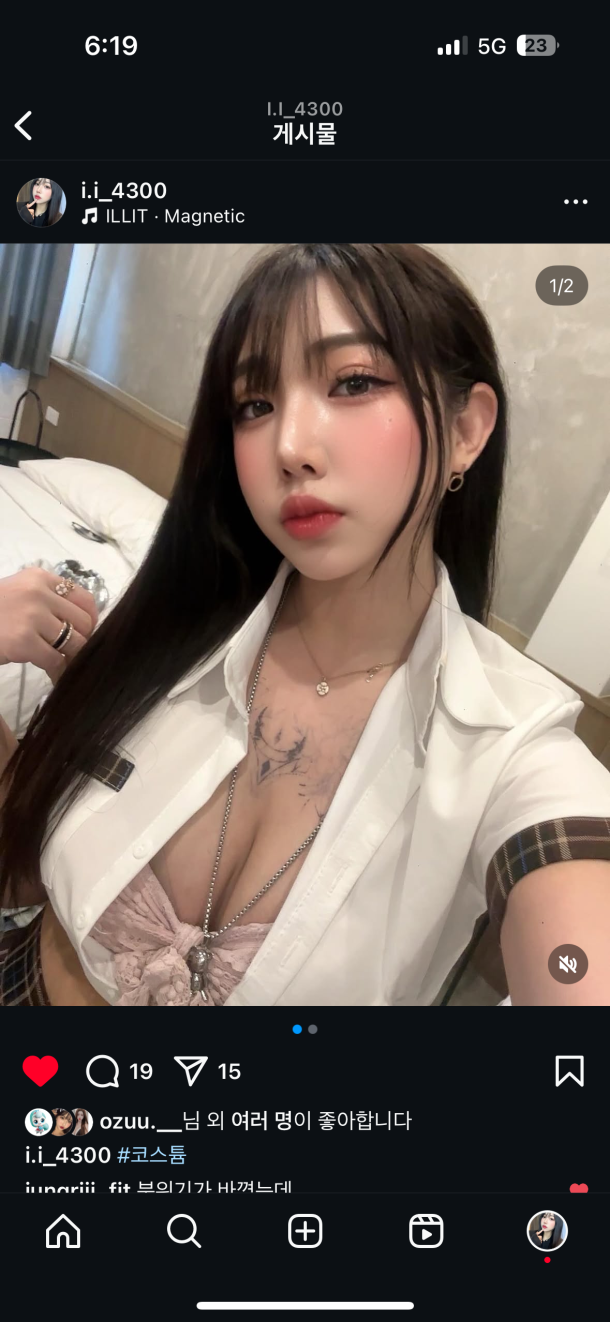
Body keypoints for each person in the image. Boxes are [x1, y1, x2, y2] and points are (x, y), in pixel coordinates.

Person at [1, 243, 610, 1009]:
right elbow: (19, 871)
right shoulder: (165, 633)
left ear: (465, 429)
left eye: (354, 382)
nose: (289, 446)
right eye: (254, 405)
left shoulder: (512, 745)